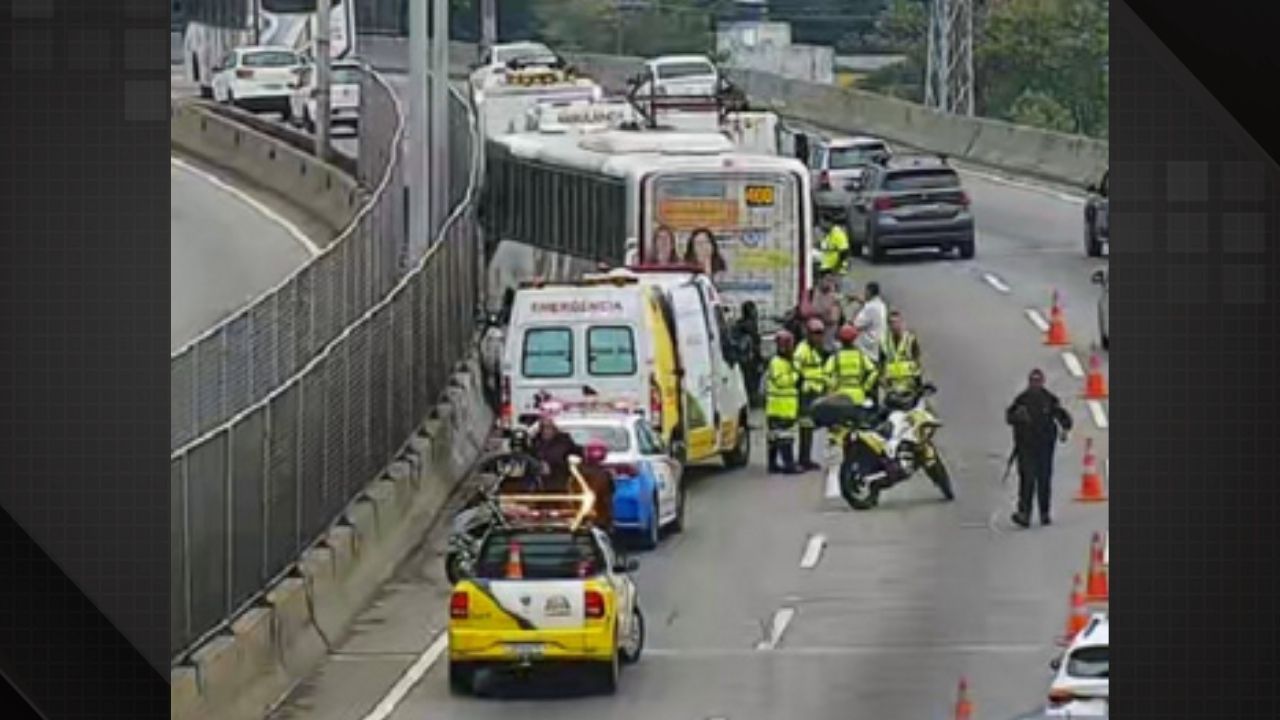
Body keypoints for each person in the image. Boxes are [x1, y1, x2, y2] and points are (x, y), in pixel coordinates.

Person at [1005, 369, 1074, 528]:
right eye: (1033, 381)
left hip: (1045, 446)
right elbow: (1009, 417)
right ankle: (1024, 514)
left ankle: (1044, 513)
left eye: (1038, 381)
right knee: (1027, 479)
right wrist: (1017, 417)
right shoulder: (1021, 400)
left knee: (1044, 479)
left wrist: (1065, 429)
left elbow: (1063, 417)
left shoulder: (1049, 399)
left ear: (1042, 382)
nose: (1035, 384)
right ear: (1029, 382)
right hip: (1025, 446)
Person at [823, 324, 879, 450]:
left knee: (840, 430)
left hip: (840, 397)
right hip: (858, 396)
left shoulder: (836, 357)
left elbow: (826, 374)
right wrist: (866, 387)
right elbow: (873, 371)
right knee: (859, 429)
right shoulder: (860, 356)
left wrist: (833, 388)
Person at [793, 317, 829, 472]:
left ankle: (806, 459)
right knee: (805, 427)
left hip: (816, 393)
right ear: (808, 334)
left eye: (821, 333)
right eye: (815, 333)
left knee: (810, 427)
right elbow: (796, 370)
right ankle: (803, 459)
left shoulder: (817, 350)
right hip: (806, 394)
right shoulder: (802, 350)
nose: (819, 336)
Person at [764, 330, 801, 474]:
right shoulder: (777, 363)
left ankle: (773, 465)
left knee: (775, 437)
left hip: (781, 406)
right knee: (785, 437)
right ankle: (788, 465)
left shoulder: (785, 361)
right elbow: (782, 382)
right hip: (780, 407)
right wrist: (795, 375)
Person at [532, 412, 585, 492]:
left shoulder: (564, 442)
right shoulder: (534, 442)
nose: (547, 431)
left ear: (555, 429)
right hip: (537, 486)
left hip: (560, 483)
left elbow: (579, 453)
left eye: (550, 428)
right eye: (544, 428)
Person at [881, 310, 923, 397]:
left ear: (902, 323)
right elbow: (881, 364)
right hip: (892, 391)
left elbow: (917, 362)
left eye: (897, 322)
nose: (895, 326)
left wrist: (919, 386)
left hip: (910, 390)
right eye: (892, 323)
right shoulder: (884, 341)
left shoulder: (910, 339)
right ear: (888, 325)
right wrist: (883, 381)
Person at [578, 439, 616, 536]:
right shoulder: (605, 474)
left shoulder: (579, 471)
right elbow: (608, 499)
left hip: (581, 515)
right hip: (599, 518)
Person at [733, 301, 765, 407]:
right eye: (754, 310)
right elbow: (756, 345)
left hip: (741, 359)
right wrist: (760, 360)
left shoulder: (737, 325)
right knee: (751, 383)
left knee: (745, 382)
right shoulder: (751, 326)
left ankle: (748, 401)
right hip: (750, 360)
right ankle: (752, 401)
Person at [853, 281, 888, 363]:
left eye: (865, 291)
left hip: (868, 347)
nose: (864, 294)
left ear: (869, 292)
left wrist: (860, 306)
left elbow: (856, 324)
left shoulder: (870, 307)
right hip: (879, 343)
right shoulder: (881, 305)